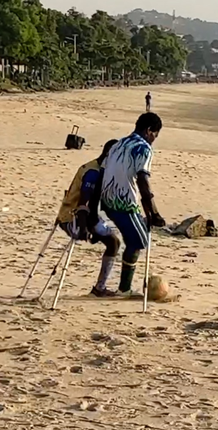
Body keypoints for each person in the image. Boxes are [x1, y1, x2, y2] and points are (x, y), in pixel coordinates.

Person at [96, 113, 166, 296]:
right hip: (123, 202)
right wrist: (153, 211)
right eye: (154, 136)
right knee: (140, 240)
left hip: (107, 199)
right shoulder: (142, 148)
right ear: (149, 130)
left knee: (135, 238)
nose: (153, 140)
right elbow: (143, 179)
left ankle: (123, 287)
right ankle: (124, 289)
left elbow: (102, 172)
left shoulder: (117, 144)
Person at [57, 140, 122, 297]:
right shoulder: (93, 173)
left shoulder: (99, 168)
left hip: (80, 214)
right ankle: (100, 288)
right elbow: (83, 204)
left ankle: (100, 287)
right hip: (73, 217)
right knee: (113, 242)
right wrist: (85, 228)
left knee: (113, 241)